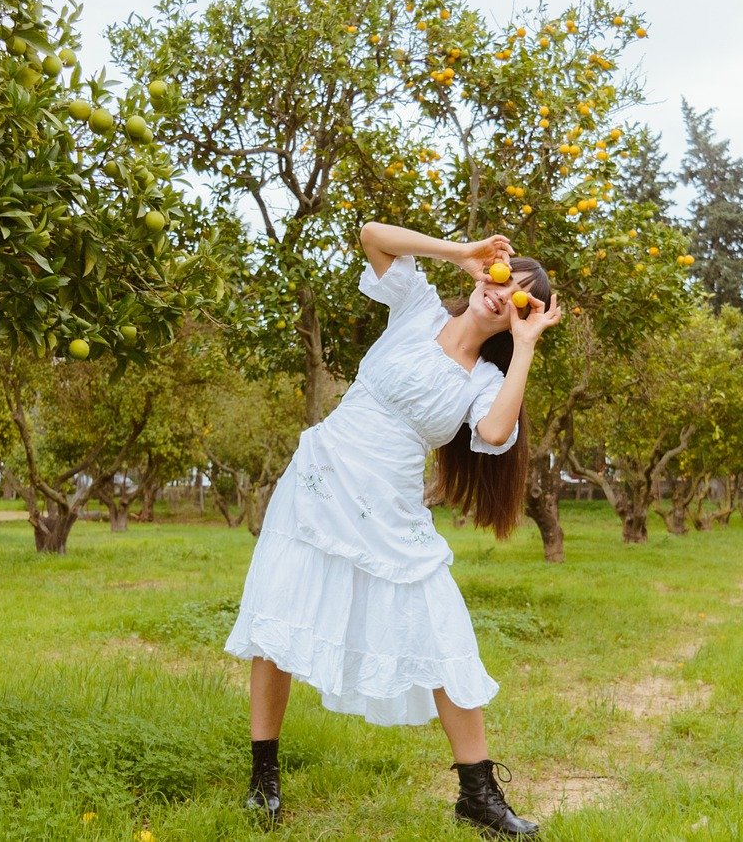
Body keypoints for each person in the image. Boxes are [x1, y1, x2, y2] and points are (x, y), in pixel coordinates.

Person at [224, 221, 561, 838]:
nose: (504, 290)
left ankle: (478, 796)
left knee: (443, 630)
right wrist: (460, 251)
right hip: (322, 480)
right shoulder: (417, 307)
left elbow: (492, 434)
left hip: (392, 507)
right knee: (280, 620)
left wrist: (528, 344)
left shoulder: (486, 379)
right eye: (504, 276)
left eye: (522, 295)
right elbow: (371, 233)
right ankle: (263, 782)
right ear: (486, 274)